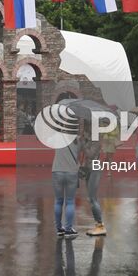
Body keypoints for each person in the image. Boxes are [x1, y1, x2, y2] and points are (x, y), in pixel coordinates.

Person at [50, 93, 82, 240]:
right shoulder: (78, 139)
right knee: (69, 201)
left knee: (58, 201)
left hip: (57, 170)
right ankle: (69, 229)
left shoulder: (57, 136)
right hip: (71, 172)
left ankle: (59, 229)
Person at [83, 112, 118, 237]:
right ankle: (98, 225)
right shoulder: (90, 138)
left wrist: (83, 144)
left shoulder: (97, 139)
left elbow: (90, 154)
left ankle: (100, 226)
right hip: (88, 169)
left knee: (92, 198)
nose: (86, 128)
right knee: (91, 198)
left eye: (88, 126)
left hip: (95, 169)